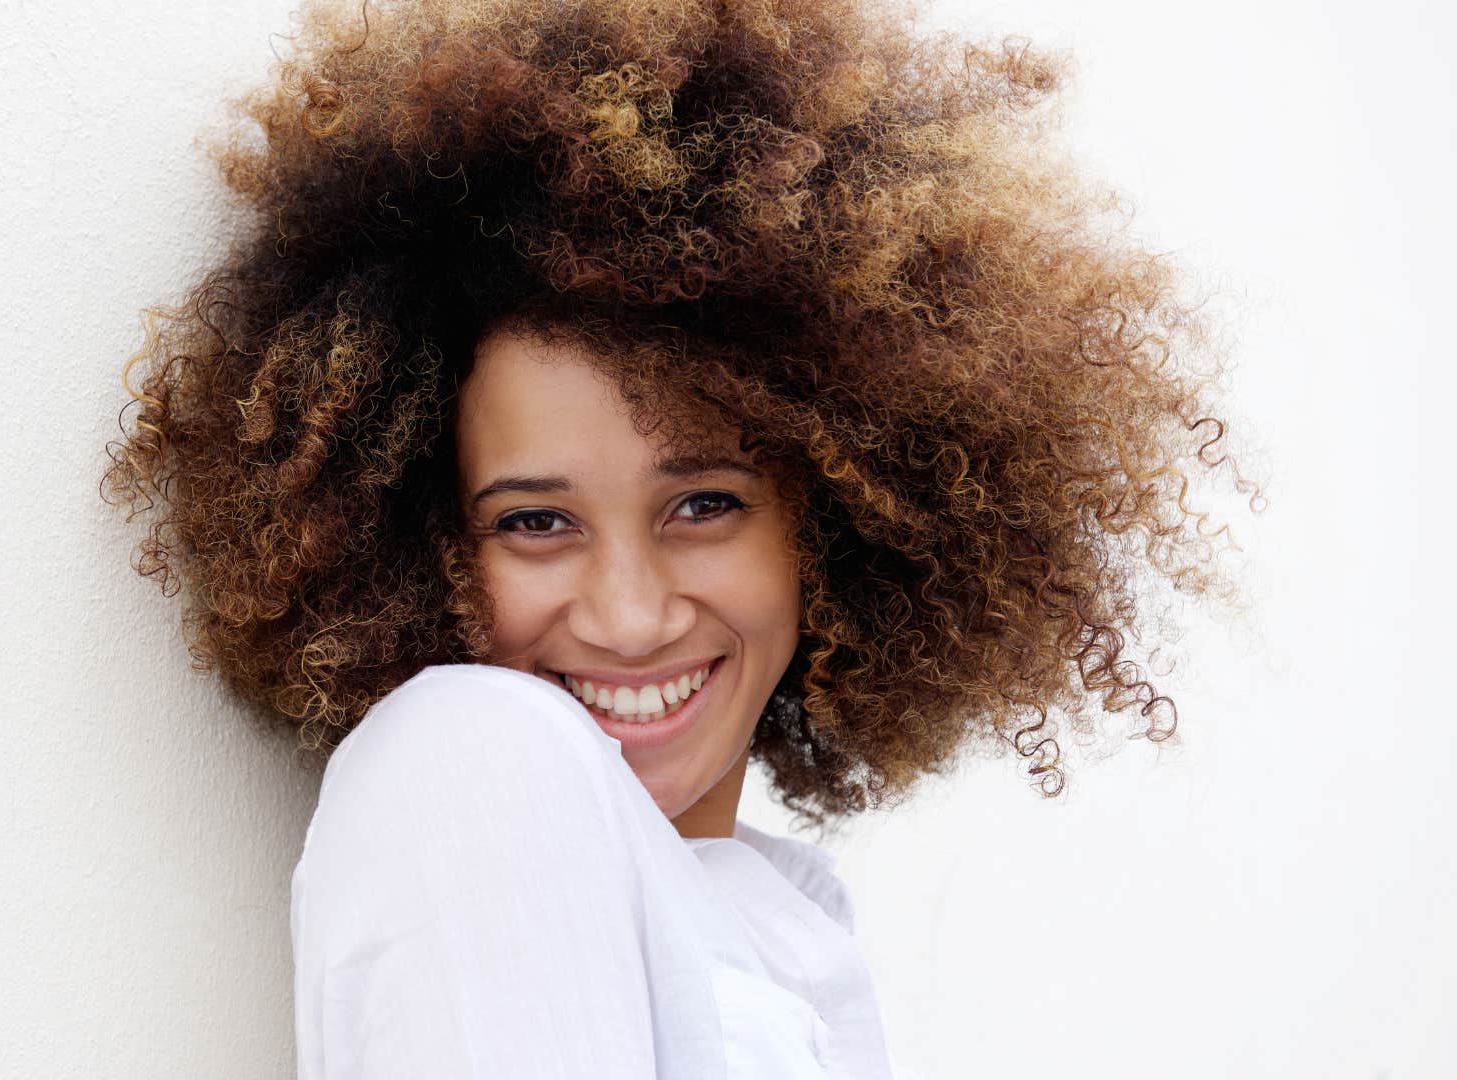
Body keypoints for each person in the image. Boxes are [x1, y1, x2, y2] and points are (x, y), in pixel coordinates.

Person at [102, 0, 1255, 1075]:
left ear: (834, 515)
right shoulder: (472, 762)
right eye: (535, 522)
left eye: (702, 504)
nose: (631, 613)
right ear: (413, 539)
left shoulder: (770, 915)